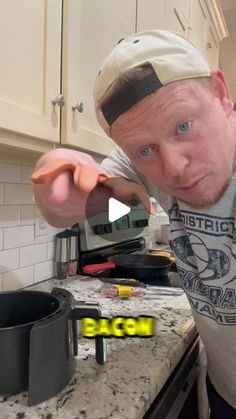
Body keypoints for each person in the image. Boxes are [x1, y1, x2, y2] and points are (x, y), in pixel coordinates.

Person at [32, 30, 236, 418]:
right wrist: (58, 183)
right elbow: (118, 219)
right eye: (145, 151)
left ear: (221, 93)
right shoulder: (136, 161)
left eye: (184, 127)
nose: (172, 168)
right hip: (226, 390)